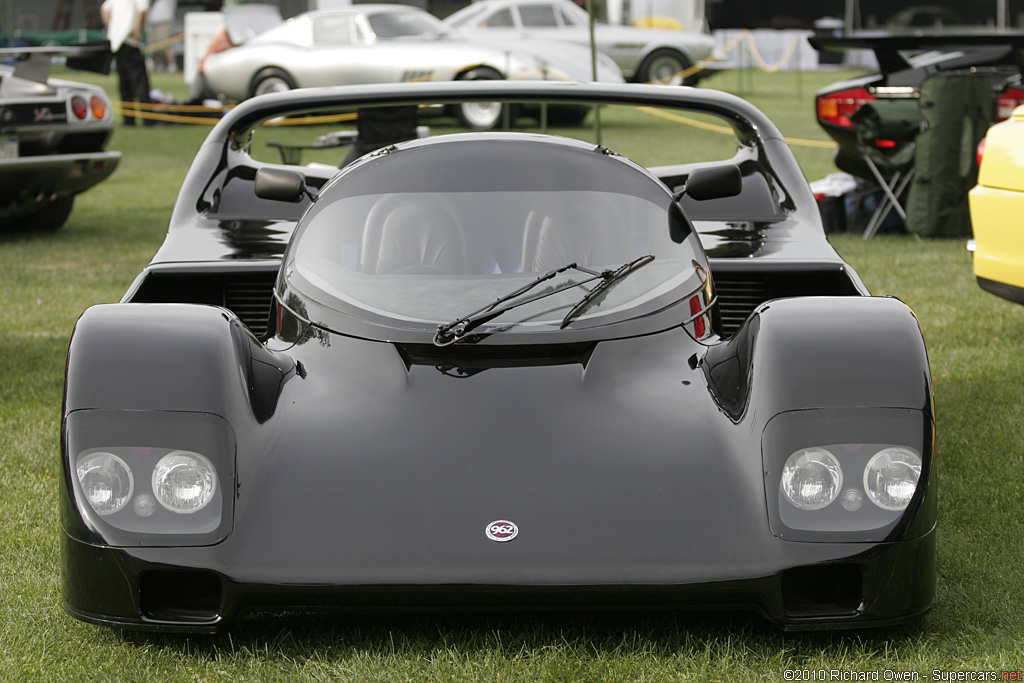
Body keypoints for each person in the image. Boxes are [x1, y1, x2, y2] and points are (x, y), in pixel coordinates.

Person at [101, 0, 152, 125]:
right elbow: (142, 10)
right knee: (140, 82)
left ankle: (128, 119)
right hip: (130, 41)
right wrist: (138, 31)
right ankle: (148, 119)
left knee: (124, 82)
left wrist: (112, 29)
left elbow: (103, 9)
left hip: (117, 42)